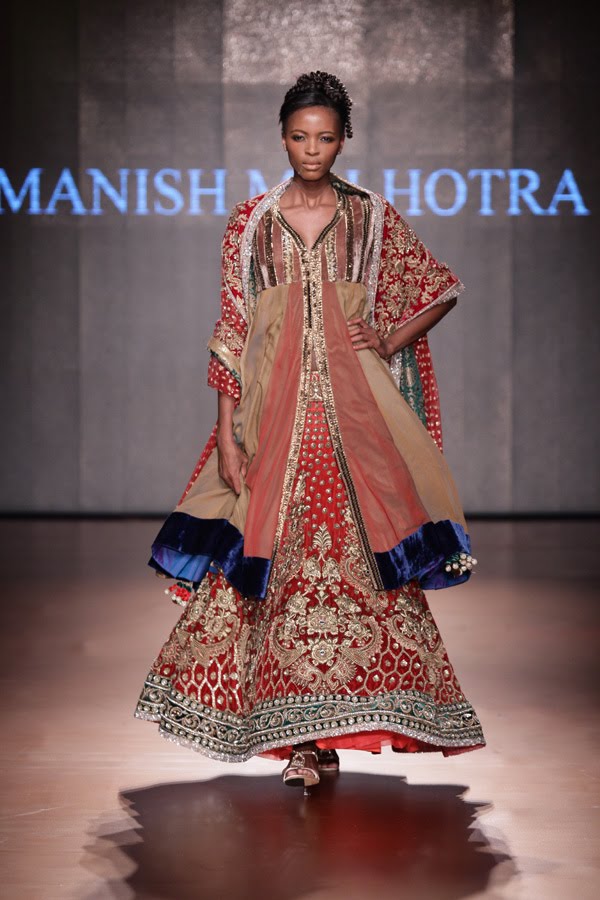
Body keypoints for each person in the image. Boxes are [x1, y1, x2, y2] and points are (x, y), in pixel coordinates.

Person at [134, 71, 485, 788]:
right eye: (300, 137)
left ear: (344, 139)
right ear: (282, 137)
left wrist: (388, 338)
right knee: (277, 566)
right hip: (276, 418)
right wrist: (227, 434)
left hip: (357, 420)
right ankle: (303, 741)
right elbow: (233, 331)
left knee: (363, 563)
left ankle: (341, 724)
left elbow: (440, 287)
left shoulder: (372, 217)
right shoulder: (252, 222)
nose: (312, 150)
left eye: (325, 137)